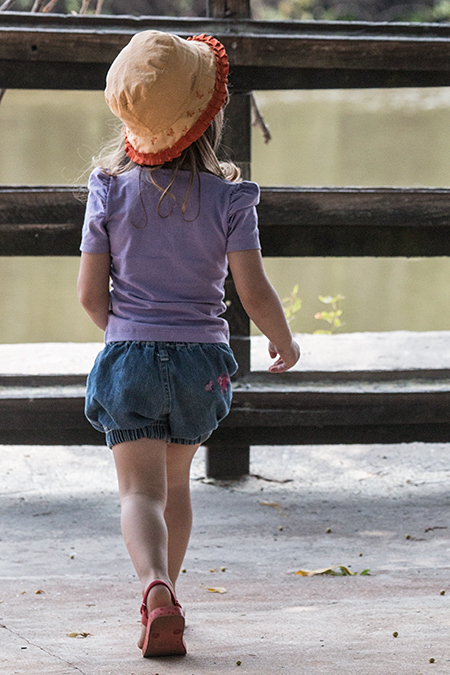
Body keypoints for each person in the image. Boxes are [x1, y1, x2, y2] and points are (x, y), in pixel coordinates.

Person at [77, 30, 300, 658]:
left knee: (138, 493)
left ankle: (153, 589)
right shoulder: (231, 197)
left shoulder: (109, 191)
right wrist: (282, 341)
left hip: (131, 356)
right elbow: (252, 290)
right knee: (176, 487)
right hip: (203, 361)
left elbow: (92, 295)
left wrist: (126, 338)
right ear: (208, 118)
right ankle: (171, 590)